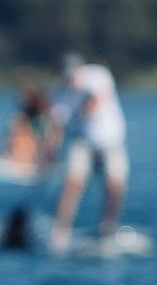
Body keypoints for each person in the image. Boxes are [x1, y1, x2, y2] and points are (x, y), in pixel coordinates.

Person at [46, 52, 129, 252]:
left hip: (111, 140)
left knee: (115, 185)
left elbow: (94, 101)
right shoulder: (63, 94)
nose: (70, 79)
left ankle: (107, 228)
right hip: (82, 141)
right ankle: (60, 231)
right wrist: (50, 152)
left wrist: (77, 110)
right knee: (73, 184)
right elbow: (56, 125)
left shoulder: (98, 75)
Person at [2, 83, 48, 166]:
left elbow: (42, 134)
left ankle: (27, 159)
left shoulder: (41, 113)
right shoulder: (21, 113)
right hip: (31, 129)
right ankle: (15, 157)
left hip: (36, 139)